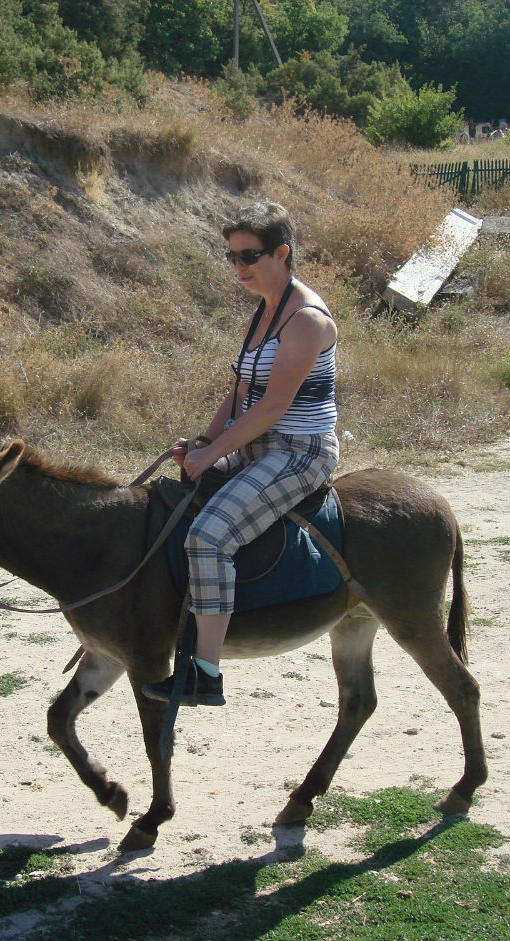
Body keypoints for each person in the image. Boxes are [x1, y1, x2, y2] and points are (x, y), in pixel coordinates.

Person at [143, 201, 339, 707]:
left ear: (283, 252)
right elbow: (240, 391)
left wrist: (213, 456)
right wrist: (204, 443)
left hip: (299, 452)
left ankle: (205, 673)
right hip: (254, 443)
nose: (238, 267)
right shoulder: (265, 311)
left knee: (208, 538)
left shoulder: (306, 320)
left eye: (249, 255)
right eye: (231, 257)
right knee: (166, 500)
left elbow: (273, 405)